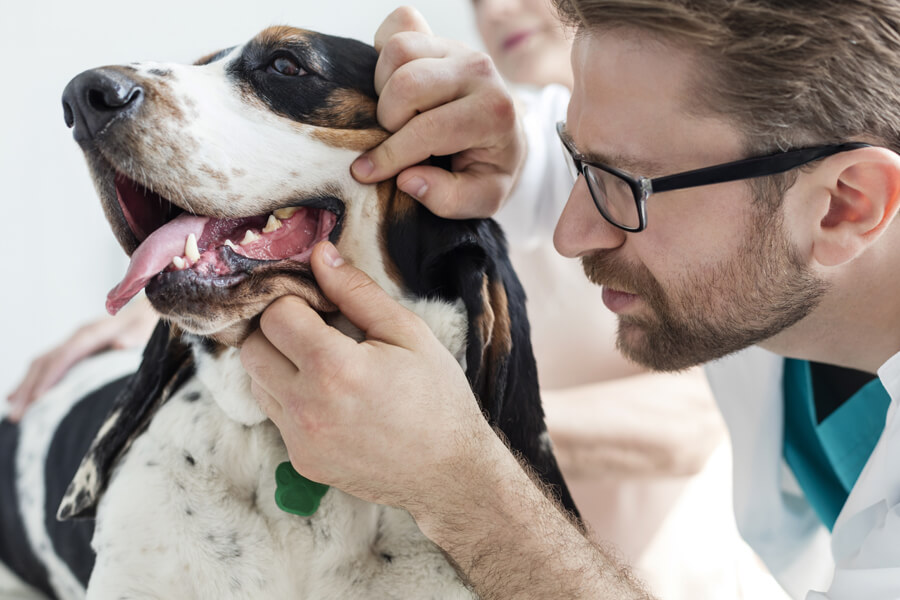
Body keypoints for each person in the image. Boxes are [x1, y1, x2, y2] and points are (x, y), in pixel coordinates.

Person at [238, 3, 900, 600]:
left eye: (624, 186)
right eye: (579, 162)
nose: (569, 234)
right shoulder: (767, 204)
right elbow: (582, 152)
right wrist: (483, 131)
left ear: (847, 206)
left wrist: (457, 484)